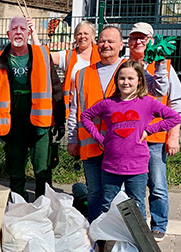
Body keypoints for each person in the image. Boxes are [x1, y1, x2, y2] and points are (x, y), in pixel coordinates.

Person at [67, 25, 169, 223]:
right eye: (102, 41)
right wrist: (72, 138)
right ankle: (99, 235)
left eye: (111, 41)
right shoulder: (81, 74)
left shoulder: (129, 69)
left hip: (123, 147)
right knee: (96, 193)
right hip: (91, 144)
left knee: (123, 198)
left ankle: (127, 236)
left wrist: (161, 65)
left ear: (121, 45)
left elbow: (158, 90)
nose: (106, 45)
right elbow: (75, 110)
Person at [80, 60, 181, 217]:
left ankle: (137, 240)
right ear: (116, 80)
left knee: (136, 204)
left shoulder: (147, 102)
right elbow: (85, 116)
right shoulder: (108, 104)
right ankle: (107, 239)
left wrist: (150, 130)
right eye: (122, 78)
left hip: (137, 167)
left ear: (139, 80)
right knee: (108, 203)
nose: (125, 82)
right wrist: (100, 138)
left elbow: (174, 117)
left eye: (130, 78)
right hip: (111, 166)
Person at [0, 15, 65, 201]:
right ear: (8, 34)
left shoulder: (42, 55)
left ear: (29, 33)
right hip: (12, 126)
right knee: (16, 171)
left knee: (42, 171)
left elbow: (56, 88)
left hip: (40, 124)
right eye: (14, 29)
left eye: (22, 29)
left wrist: (60, 122)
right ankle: (19, 208)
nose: (18, 32)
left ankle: (43, 207)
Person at [128, 22, 181, 241]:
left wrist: (174, 136)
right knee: (134, 185)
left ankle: (159, 225)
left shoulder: (163, 66)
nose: (138, 41)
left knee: (158, 185)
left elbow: (177, 104)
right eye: (134, 37)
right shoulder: (125, 65)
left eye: (143, 38)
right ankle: (138, 225)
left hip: (155, 138)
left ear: (151, 40)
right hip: (132, 139)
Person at [49, 20, 101, 119]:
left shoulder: (101, 55)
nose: (82, 36)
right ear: (75, 37)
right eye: (79, 34)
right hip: (73, 111)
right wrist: (33, 33)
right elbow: (43, 55)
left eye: (86, 33)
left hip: (96, 107)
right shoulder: (68, 56)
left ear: (92, 36)